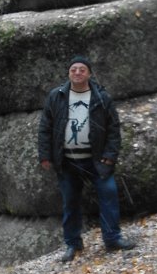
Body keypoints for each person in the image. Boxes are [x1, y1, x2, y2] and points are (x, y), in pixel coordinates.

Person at [38, 55, 136, 262]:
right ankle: (72, 244)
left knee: (108, 195)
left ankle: (112, 239)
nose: (77, 72)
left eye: (82, 69)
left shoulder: (101, 97)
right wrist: (45, 155)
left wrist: (110, 156)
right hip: (67, 161)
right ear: (68, 73)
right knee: (70, 202)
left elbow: (113, 129)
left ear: (89, 73)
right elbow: (45, 127)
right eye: (73, 69)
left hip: (96, 160)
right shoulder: (57, 96)